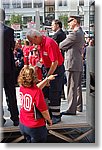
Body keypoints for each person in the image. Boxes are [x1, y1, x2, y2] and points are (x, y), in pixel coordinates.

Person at [26, 29, 65, 124]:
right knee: (45, 92)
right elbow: (43, 59)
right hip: (47, 68)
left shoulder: (49, 43)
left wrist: (48, 77)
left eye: (32, 41)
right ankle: (48, 114)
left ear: (36, 37)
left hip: (56, 69)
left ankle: (56, 115)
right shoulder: (40, 45)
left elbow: (54, 62)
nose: (32, 43)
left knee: (54, 92)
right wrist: (37, 67)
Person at [18, 66, 57, 143]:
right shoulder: (37, 92)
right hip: (35, 127)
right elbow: (44, 111)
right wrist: (49, 120)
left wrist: (47, 79)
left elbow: (36, 88)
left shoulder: (22, 88)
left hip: (23, 123)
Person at [59, 15, 85, 115]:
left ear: (75, 21)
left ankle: (71, 109)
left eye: (70, 21)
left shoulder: (74, 34)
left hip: (72, 63)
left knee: (71, 87)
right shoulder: (81, 32)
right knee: (77, 86)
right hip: (77, 62)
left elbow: (61, 45)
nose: (68, 23)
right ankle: (78, 106)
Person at [0, 9, 19, 126]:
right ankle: (15, 118)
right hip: (8, 67)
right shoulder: (9, 31)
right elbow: (12, 48)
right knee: (11, 93)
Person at [51, 19, 67, 100]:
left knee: (57, 77)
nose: (51, 26)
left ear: (57, 25)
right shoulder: (62, 34)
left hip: (57, 59)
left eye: (53, 25)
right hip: (61, 58)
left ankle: (59, 93)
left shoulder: (58, 35)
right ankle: (62, 93)